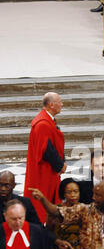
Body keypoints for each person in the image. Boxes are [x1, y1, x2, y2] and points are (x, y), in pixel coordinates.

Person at [24, 92, 66, 224]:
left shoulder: (46, 120)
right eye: (59, 102)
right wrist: (60, 165)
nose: (62, 104)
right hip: (44, 171)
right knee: (44, 201)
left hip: (48, 169)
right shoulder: (42, 123)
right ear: (51, 105)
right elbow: (47, 150)